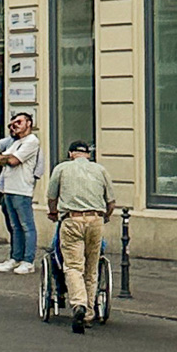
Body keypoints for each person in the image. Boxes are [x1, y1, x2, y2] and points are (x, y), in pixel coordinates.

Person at [47, 140, 115, 332]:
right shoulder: (101, 170)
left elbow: (52, 197)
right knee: (91, 267)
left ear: (71, 154)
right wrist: (106, 217)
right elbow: (111, 201)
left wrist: (53, 213)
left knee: (73, 266)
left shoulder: (61, 169)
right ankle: (88, 314)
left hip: (72, 219)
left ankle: (78, 304)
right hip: (96, 219)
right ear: (88, 154)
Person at [0, 111, 40, 272]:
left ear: (29, 123)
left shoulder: (31, 141)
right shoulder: (14, 142)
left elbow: (13, 161)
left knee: (26, 226)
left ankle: (28, 261)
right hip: (8, 188)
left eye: (18, 123)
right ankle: (16, 257)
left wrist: (4, 158)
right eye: (12, 124)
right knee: (14, 226)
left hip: (22, 189)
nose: (14, 126)